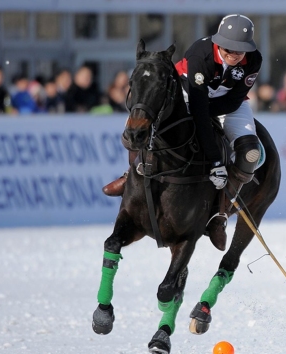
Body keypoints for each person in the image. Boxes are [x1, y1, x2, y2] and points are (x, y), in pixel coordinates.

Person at [103, 14, 263, 251]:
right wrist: (216, 161)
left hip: (228, 103)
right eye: (228, 48)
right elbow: (198, 110)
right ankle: (130, 175)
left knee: (250, 153)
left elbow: (234, 100)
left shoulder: (254, 60)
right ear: (219, 43)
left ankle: (221, 213)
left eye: (240, 50)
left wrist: (218, 133)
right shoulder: (201, 52)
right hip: (190, 95)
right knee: (150, 126)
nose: (234, 54)